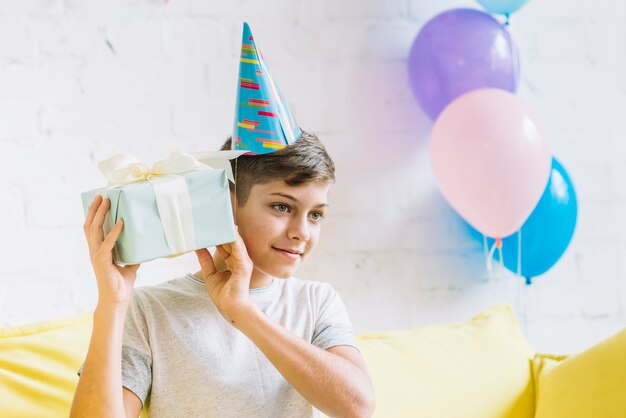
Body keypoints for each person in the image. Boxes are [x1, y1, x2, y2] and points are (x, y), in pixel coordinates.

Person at [70, 22, 375, 418]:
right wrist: (112, 306)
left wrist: (243, 312)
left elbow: (358, 407)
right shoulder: (149, 311)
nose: (302, 232)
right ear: (226, 202)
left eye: (315, 214)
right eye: (282, 207)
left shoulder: (316, 303)